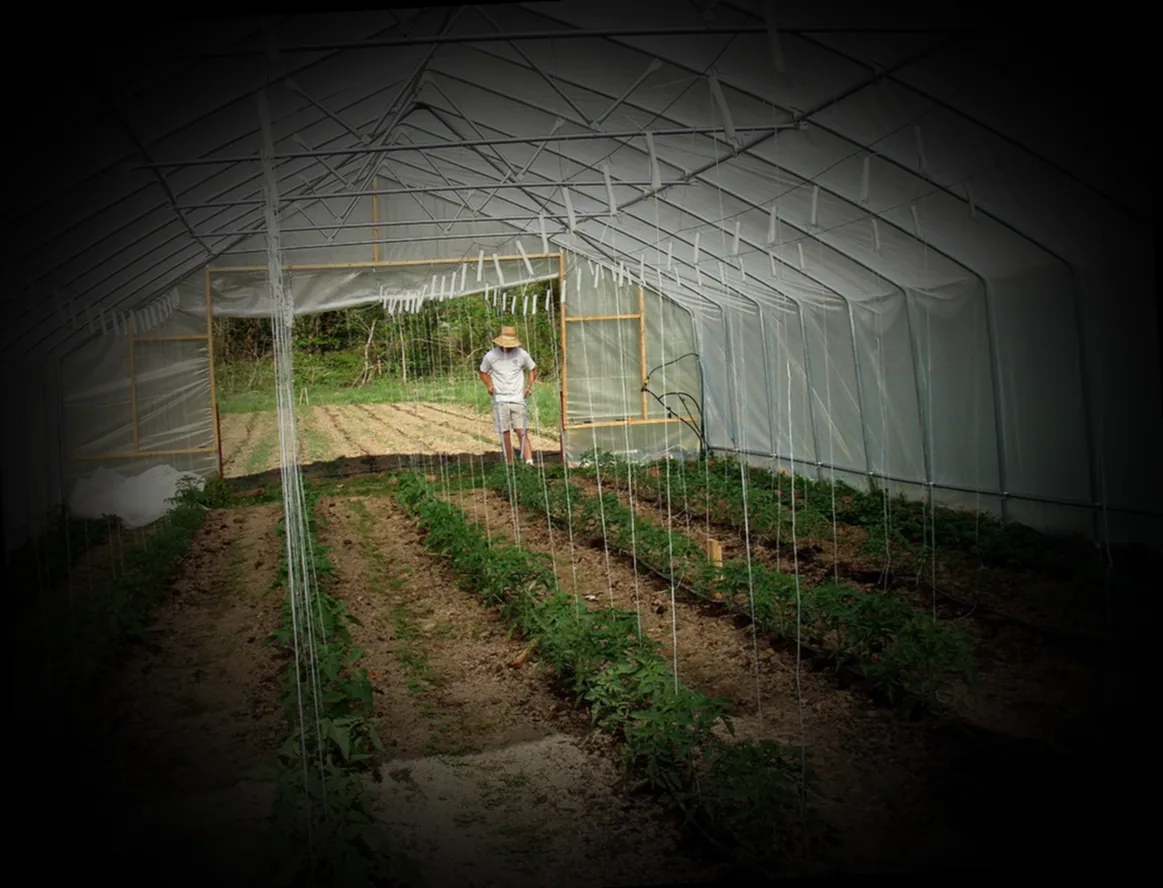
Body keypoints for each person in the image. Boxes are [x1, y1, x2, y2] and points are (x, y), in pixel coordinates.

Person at [479, 325, 537, 465]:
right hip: (500, 400)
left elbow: (533, 369)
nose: (508, 348)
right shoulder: (491, 356)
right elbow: (483, 372)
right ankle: (509, 463)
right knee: (504, 432)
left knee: (521, 431)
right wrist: (489, 385)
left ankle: (529, 461)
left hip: (518, 399)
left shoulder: (521, 354)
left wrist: (528, 387)